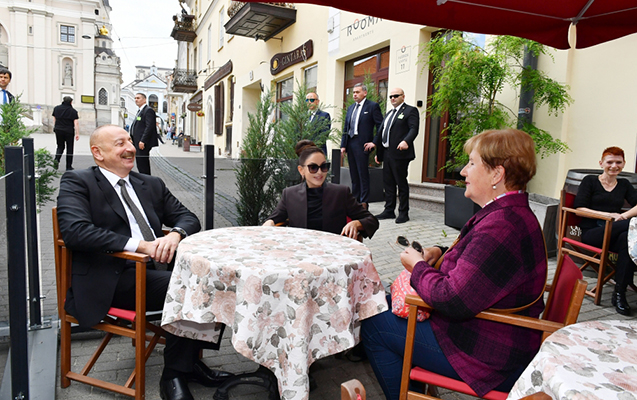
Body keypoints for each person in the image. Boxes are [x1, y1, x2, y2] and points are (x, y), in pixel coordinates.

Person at [362, 129, 547, 400]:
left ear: (496, 174)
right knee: (382, 303)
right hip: (489, 335)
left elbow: (451, 299)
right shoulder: (508, 213)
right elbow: (479, 258)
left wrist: (417, 267)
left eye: (471, 163)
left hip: (485, 353)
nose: (463, 172)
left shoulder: (502, 225)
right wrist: (439, 251)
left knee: (373, 323)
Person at [56, 125, 232, 400]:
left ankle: (188, 364)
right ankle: (174, 375)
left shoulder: (150, 183)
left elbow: (188, 218)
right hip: (112, 277)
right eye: (120, 143)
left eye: (130, 140)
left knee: (216, 279)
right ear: (98, 153)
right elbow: (75, 231)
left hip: (158, 270)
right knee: (191, 288)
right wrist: (141, 246)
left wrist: (174, 235)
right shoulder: (78, 181)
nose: (130, 148)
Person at [263, 140, 379, 240]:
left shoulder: (340, 193)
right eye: (313, 167)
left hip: (333, 251)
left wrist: (356, 223)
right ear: (301, 170)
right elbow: (273, 219)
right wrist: (270, 223)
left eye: (324, 166)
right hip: (300, 251)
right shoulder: (290, 194)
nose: (319, 172)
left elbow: (372, 220)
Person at [574, 146, 637, 315]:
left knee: (627, 239)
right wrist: (609, 215)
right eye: (610, 162)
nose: (614, 166)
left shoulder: (624, 184)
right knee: (631, 229)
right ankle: (620, 292)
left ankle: (619, 294)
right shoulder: (590, 181)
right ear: (601, 163)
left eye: (618, 162)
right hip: (593, 232)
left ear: (624, 164)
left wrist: (624, 216)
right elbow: (579, 208)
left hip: (615, 232)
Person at [367, 88, 420, 223]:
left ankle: (403, 213)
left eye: (396, 96)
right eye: (390, 96)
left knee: (401, 183)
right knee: (388, 183)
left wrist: (406, 141)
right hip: (387, 153)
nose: (392, 98)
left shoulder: (410, 111)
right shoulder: (389, 113)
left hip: (400, 153)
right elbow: (381, 133)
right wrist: (378, 152)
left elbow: (414, 129)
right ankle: (389, 210)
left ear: (403, 96)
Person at [340, 83, 383, 208]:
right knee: (353, 175)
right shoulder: (351, 108)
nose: (354, 95)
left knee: (362, 174)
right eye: (353, 92)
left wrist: (374, 142)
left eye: (357, 92)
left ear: (365, 93)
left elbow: (380, 126)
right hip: (351, 143)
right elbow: (346, 128)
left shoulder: (372, 106)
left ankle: (364, 202)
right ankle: (355, 201)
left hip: (363, 144)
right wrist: (343, 145)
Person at [130, 93, 159, 175]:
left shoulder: (148, 110)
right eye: (135, 98)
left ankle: (146, 179)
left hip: (142, 143)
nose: (136, 100)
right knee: (140, 163)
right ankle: (144, 177)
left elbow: (149, 127)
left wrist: (143, 140)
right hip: (137, 142)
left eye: (138, 98)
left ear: (144, 99)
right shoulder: (140, 111)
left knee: (143, 164)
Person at [52, 96, 80, 171]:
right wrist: (77, 133)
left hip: (58, 130)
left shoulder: (56, 108)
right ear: (71, 102)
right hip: (69, 131)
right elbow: (76, 123)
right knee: (69, 148)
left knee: (60, 146)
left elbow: (54, 119)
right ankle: (68, 166)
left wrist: (55, 127)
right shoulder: (73, 111)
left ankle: (56, 160)